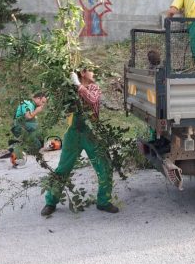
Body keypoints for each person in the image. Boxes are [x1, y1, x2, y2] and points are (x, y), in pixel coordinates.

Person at [41, 68, 118, 216]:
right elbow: (58, 103)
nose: (94, 73)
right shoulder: (69, 90)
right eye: (91, 70)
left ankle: (103, 201)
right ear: (82, 73)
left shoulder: (94, 88)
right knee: (63, 168)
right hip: (73, 133)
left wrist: (78, 85)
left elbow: (93, 99)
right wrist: (65, 85)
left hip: (92, 133)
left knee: (104, 166)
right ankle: (51, 201)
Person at [8, 91, 48, 167]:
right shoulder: (28, 103)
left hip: (24, 127)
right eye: (42, 102)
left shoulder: (32, 105)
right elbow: (28, 116)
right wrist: (37, 111)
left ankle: (18, 149)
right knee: (37, 128)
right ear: (38, 98)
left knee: (38, 144)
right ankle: (16, 148)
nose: (43, 105)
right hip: (19, 127)